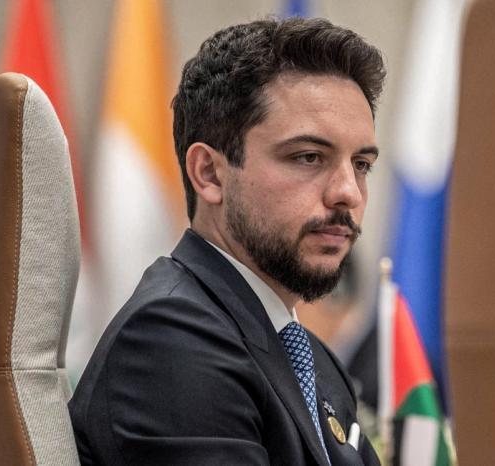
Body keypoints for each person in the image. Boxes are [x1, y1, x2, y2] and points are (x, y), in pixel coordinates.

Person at [69, 17, 385, 466]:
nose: (348, 192)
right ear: (210, 174)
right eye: (308, 157)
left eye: (361, 164)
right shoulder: (171, 339)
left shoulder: (314, 360)